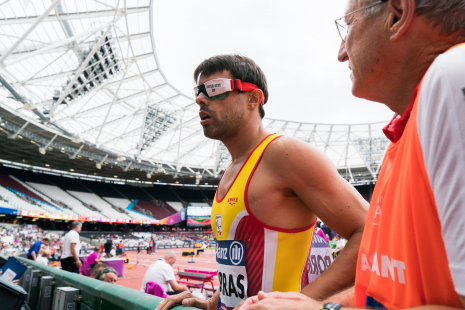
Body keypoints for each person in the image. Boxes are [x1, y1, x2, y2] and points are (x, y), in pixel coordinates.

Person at [235, 0, 465, 309]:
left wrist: (322, 309)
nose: (341, 52)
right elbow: (381, 292)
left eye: (349, 25)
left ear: (397, 14)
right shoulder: (404, 132)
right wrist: (304, 302)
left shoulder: (454, 75)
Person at [156, 55, 368, 310]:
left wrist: (304, 302)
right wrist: (214, 302)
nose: (200, 98)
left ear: (253, 99)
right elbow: (240, 269)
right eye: (199, 91)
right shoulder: (230, 171)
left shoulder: (285, 154)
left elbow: (370, 231)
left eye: (214, 89)